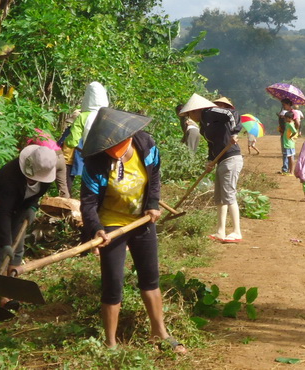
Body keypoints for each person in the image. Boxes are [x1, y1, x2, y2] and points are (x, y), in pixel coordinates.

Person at [80, 107, 186, 353]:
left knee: (150, 278)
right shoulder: (95, 162)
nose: (116, 156)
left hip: (141, 220)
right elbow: (88, 202)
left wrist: (151, 205)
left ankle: (159, 332)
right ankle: (111, 343)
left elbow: (155, 176)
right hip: (112, 223)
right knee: (113, 282)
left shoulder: (145, 144)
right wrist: (96, 229)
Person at [0, 145, 57, 308]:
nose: (34, 180)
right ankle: (3, 298)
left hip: (19, 206)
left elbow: (36, 194)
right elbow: (3, 212)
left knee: (18, 248)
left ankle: (13, 291)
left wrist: (32, 207)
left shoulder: (46, 176)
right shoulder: (9, 177)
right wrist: (6, 243)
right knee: (2, 252)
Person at [180, 93, 243, 243]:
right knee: (220, 198)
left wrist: (234, 133)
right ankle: (220, 231)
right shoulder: (203, 125)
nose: (189, 117)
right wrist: (210, 161)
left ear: (197, 110)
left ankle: (236, 231)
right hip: (220, 160)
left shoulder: (210, 112)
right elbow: (212, 144)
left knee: (229, 194)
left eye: (189, 114)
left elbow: (232, 113)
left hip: (231, 158)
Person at [60, 82, 110, 196]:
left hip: (81, 152)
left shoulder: (83, 116)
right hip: (102, 153)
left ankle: (67, 203)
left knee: (68, 178)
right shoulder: (107, 116)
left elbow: (73, 140)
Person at [27, 128, 70, 198]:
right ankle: (67, 206)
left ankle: (34, 204)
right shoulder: (44, 133)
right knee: (63, 187)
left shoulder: (31, 134)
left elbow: (27, 150)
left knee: (40, 182)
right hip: (60, 156)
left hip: (49, 159)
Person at [277, 98, 295, 173]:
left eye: (284, 104)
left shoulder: (291, 113)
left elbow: (296, 124)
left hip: (288, 136)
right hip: (285, 135)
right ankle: (286, 169)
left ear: (288, 104)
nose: (283, 106)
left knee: (287, 154)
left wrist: (293, 135)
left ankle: (286, 169)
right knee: (287, 153)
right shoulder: (287, 113)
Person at [281, 111, 298, 176]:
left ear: (289, 118)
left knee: (291, 157)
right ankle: (289, 171)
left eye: (286, 118)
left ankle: (291, 172)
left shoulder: (290, 124)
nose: (285, 119)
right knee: (289, 157)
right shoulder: (288, 123)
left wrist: (290, 137)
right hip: (287, 143)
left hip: (289, 143)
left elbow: (294, 131)